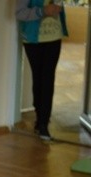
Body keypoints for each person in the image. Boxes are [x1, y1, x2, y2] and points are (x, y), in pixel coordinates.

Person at [16, 0, 68, 141]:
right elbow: (19, 13)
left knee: (48, 79)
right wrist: (43, 11)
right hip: (33, 40)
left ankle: (43, 122)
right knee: (38, 78)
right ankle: (40, 117)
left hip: (54, 38)